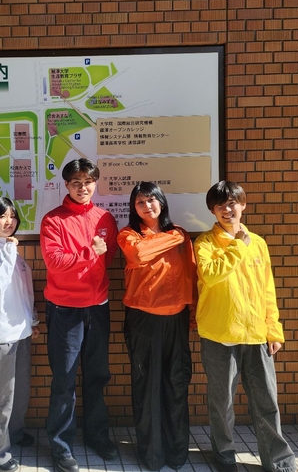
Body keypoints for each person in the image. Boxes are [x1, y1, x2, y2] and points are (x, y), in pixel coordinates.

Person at [195, 181, 298, 472]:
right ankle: (224, 454)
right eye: (220, 206)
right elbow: (210, 275)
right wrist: (237, 247)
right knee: (222, 402)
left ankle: (279, 461)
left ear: (243, 205)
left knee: (266, 401)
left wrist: (273, 330)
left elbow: (268, 289)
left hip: (256, 334)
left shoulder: (259, 243)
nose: (227, 210)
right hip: (219, 334)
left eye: (232, 203)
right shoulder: (204, 243)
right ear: (212, 211)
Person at [39, 157, 120, 472]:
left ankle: (97, 436)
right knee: (64, 379)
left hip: (98, 307)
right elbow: (55, 262)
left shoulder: (104, 218)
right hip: (65, 310)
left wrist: (94, 258)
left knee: (97, 375)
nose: (83, 187)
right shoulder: (53, 220)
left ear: (95, 183)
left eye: (88, 182)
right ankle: (61, 446)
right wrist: (88, 253)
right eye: (76, 182)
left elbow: (109, 255)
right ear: (67, 185)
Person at [117, 182, 197, 471]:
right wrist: (173, 237)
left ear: (161, 202)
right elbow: (139, 254)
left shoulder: (181, 234)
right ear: (134, 207)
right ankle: (151, 454)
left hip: (176, 319)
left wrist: (192, 313)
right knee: (147, 386)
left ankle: (177, 452)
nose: (147, 206)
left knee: (176, 383)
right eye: (140, 202)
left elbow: (191, 274)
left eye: (151, 200)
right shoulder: (129, 234)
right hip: (144, 320)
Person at [0, 197, 40, 472]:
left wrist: (32, 320)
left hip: (20, 332)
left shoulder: (13, 252)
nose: (8, 221)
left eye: (12, 216)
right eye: (2, 216)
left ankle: (14, 433)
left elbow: (24, 291)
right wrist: (10, 251)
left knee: (18, 392)